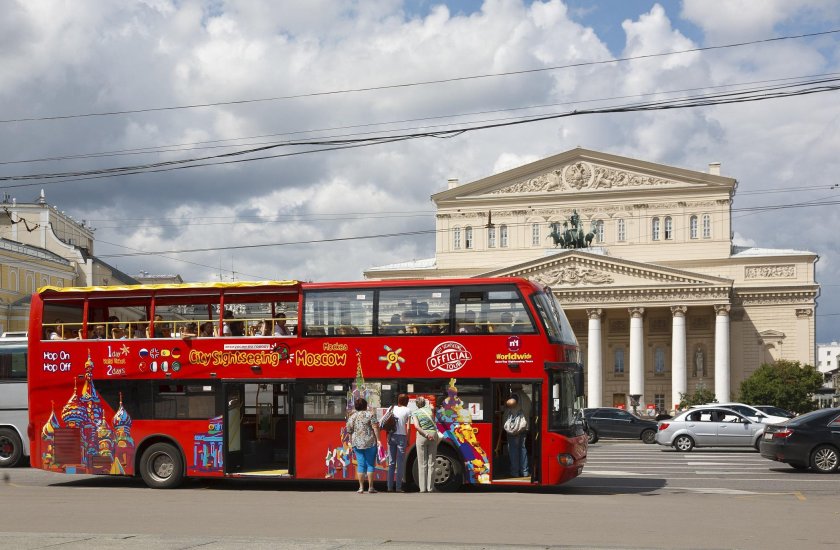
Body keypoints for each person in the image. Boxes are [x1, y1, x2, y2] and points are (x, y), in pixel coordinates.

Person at [345, 397, 380, 494]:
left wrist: (351, 442)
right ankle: (371, 487)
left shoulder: (352, 416)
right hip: (370, 442)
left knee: (360, 465)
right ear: (365, 406)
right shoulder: (371, 414)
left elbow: (349, 430)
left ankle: (361, 488)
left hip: (357, 443)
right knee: (370, 465)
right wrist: (379, 440)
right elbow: (375, 428)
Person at [411, 396, 439, 493]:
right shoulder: (430, 409)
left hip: (422, 436)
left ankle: (422, 488)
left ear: (416, 404)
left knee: (422, 463)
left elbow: (417, 427)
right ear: (424, 403)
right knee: (431, 463)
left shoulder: (415, 413)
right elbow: (432, 404)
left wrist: (426, 435)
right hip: (433, 434)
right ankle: (430, 488)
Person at [385, 394, 411, 492]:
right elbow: (408, 427)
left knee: (391, 463)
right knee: (400, 463)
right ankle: (398, 488)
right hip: (402, 437)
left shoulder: (391, 408)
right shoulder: (408, 410)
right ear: (406, 401)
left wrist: (388, 436)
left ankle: (389, 487)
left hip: (391, 436)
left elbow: (386, 422)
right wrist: (408, 439)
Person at [502, 394, 528, 477]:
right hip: (523, 428)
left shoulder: (515, 396)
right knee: (522, 450)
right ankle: (524, 471)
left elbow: (511, 402)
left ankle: (515, 472)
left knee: (514, 451)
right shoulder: (526, 397)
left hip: (514, 430)